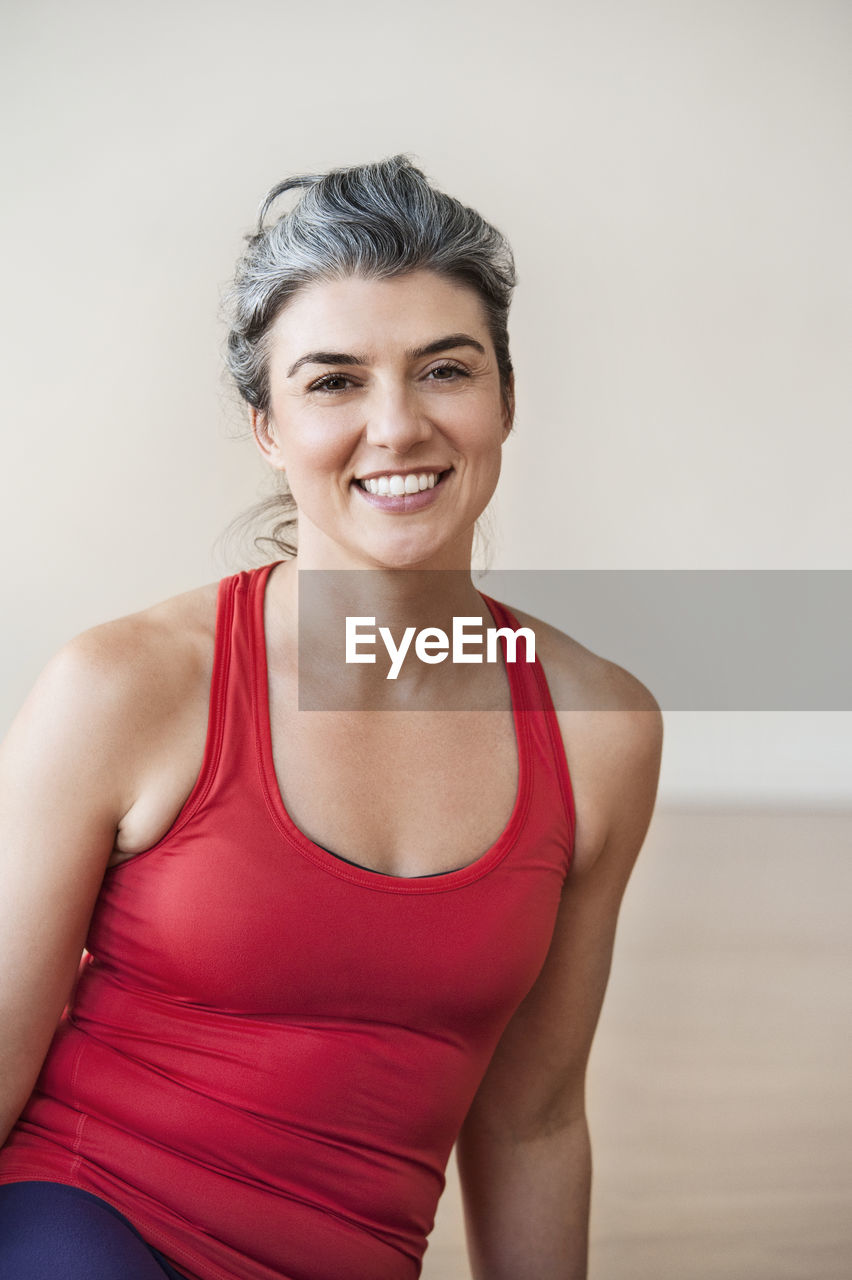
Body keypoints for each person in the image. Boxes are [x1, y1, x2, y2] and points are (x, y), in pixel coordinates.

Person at [0, 156, 663, 1280]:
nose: (396, 426)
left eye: (444, 369)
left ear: (506, 395)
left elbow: (534, 1119)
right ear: (267, 426)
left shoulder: (597, 726)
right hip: (83, 1223)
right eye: (334, 381)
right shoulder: (126, 686)